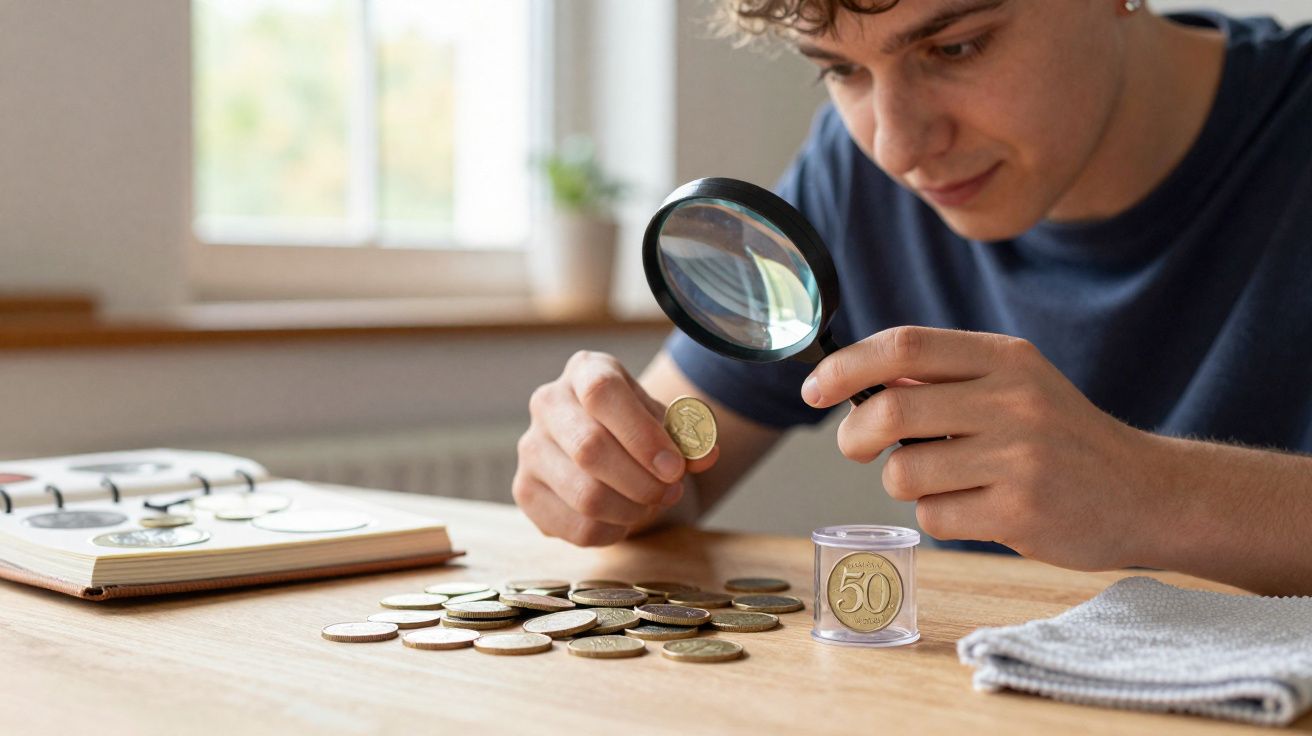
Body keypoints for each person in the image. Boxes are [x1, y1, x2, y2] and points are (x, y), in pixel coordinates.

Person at [514, 0, 1312, 596]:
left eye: (956, 45)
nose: (896, 147)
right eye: (840, 70)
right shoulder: (853, 172)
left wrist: (1150, 491)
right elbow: (674, 471)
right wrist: (596, 462)